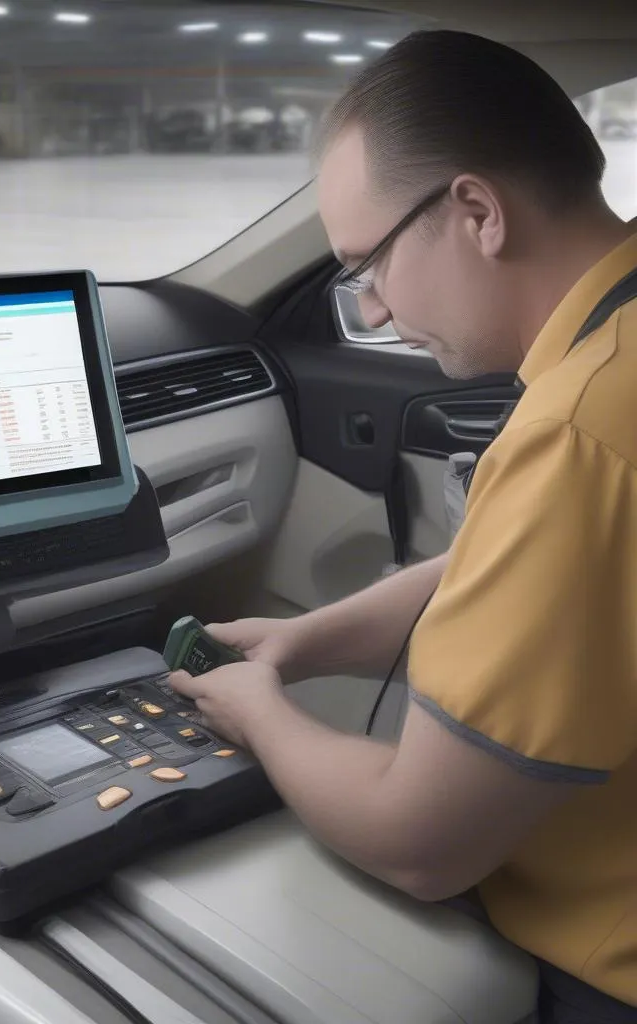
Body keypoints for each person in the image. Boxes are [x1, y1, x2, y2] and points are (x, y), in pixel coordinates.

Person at [169, 29, 637, 1024]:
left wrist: (259, 712)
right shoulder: (610, 368)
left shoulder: (579, 432)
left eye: (367, 263)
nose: (372, 311)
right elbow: (504, 570)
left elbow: (420, 842)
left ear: (474, 211)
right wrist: (304, 642)